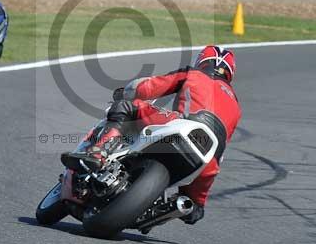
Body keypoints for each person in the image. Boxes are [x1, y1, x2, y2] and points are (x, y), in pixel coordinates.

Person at [61, 45, 241, 224]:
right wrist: (198, 203)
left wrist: (124, 93)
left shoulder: (192, 74)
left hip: (185, 127)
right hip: (209, 158)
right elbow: (222, 146)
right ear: (230, 72)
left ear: (201, 60)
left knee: (126, 107)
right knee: (193, 207)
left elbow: (148, 88)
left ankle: (98, 151)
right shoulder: (236, 104)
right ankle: (170, 209)